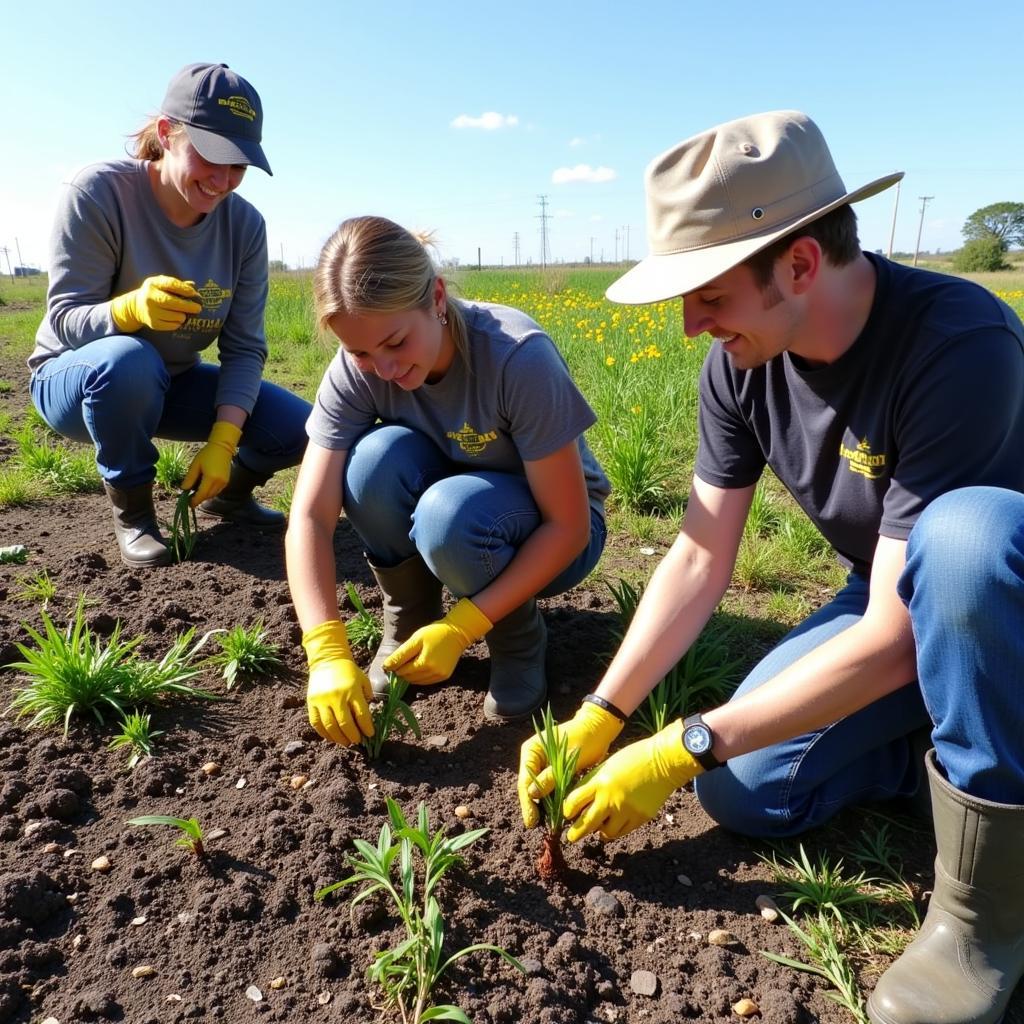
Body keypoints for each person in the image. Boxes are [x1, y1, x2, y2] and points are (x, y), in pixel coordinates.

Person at [517, 111, 1024, 1024]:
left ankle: (986, 916)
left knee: (965, 536)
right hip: (887, 596)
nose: (687, 324)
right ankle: (947, 761)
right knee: (746, 789)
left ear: (798, 264)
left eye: (706, 291)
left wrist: (686, 739)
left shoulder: (958, 341)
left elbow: (904, 626)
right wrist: (606, 713)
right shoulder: (743, 364)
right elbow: (702, 553)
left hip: (988, 601)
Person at [285, 215, 609, 743]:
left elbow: (569, 526)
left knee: (447, 514)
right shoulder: (355, 370)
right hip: (455, 508)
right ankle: (409, 618)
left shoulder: (515, 356)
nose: (382, 368)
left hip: (559, 530)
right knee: (370, 463)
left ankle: (517, 638)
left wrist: (465, 628)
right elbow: (309, 516)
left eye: (395, 342)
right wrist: (324, 649)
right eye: (360, 352)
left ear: (436, 297)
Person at [30, 62, 311, 567]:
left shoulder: (244, 227)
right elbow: (66, 319)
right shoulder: (97, 193)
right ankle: (134, 513)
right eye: (210, 156)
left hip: (172, 383)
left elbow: (244, 346)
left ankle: (229, 494)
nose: (223, 180)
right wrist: (129, 308)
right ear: (166, 133)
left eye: (239, 166)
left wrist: (225, 439)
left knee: (299, 428)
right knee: (129, 360)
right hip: (75, 378)